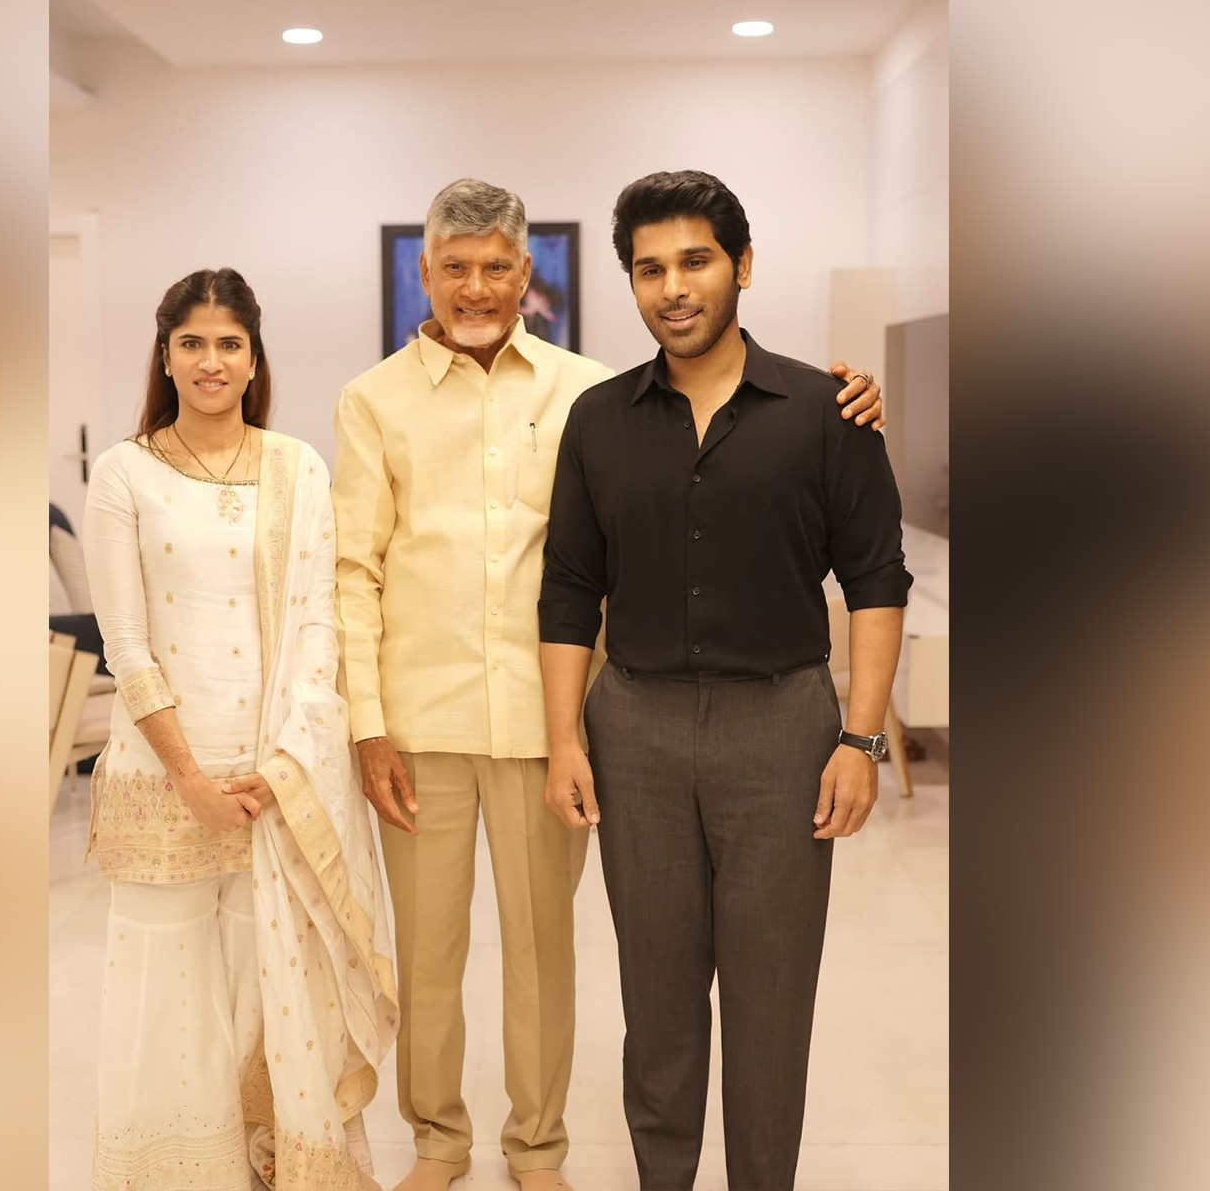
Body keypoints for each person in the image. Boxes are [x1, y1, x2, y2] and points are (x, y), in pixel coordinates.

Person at [330, 179, 887, 1191]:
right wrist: (368, 725)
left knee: (572, 960)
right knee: (446, 959)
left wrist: (859, 735)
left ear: (526, 273)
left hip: (605, 727)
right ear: (424, 274)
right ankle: (441, 1144)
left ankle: (538, 1147)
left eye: (496, 265)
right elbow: (372, 572)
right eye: (453, 267)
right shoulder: (391, 403)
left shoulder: (588, 390)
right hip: (455, 720)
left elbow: (854, 564)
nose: (476, 285)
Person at [538, 170, 913, 1191]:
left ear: (741, 266)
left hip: (784, 731)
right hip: (636, 735)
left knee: (768, 1003)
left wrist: (861, 738)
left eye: (694, 260)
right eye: (649, 268)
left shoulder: (826, 411)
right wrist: (566, 739)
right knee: (655, 1006)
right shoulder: (599, 420)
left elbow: (877, 578)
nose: (672, 286)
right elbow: (569, 588)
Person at [83, 268, 397, 1190]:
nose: (211, 361)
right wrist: (186, 774)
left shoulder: (295, 465)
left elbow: (316, 627)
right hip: (162, 776)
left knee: (269, 981)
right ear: (166, 356)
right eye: (193, 343)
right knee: (169, 987)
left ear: (254, 357)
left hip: (273, 779)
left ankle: (270, 1164)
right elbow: (125, 640)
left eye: (230, 343)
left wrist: (289, 764)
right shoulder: (124, 471)